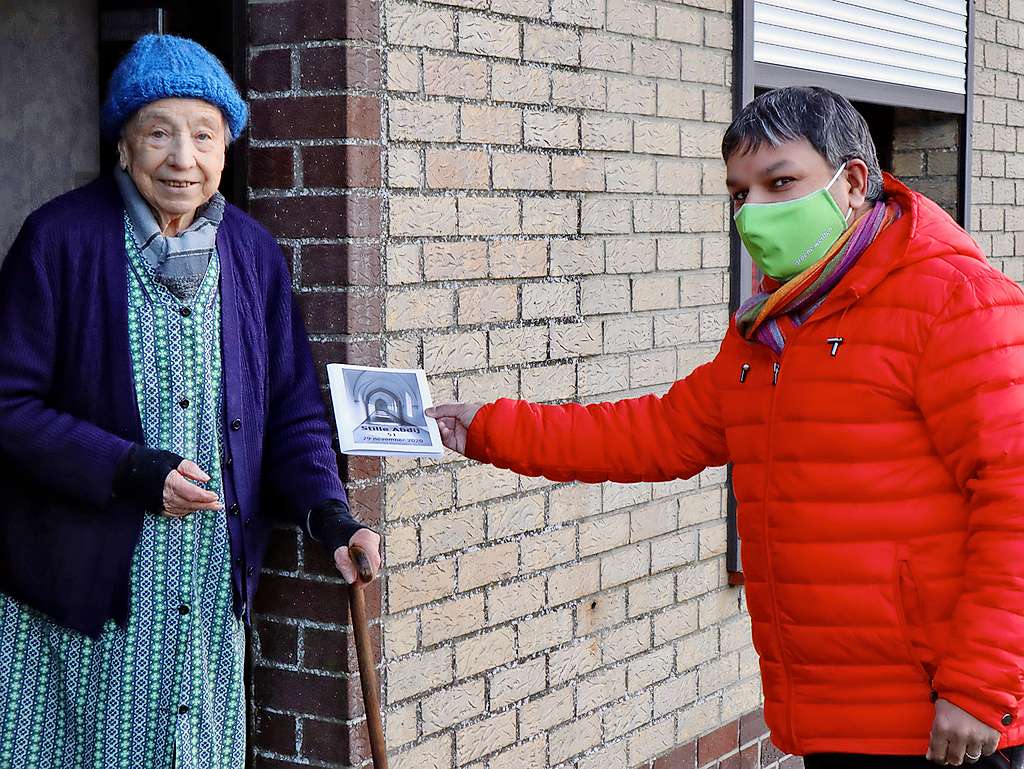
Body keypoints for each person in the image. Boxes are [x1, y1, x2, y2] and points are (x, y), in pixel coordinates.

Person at [429, 87, 1024, 769]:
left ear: (853, 182)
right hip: (839, 713)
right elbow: (652, 432)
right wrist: (490, 429)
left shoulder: (956, 301)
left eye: (780, 183)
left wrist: (980, 687)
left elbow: (1015, 497)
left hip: (945, 721)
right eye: (741, 192)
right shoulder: (771, 330)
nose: (756, 212)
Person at [0, 34, 380, 768]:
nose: (183, 158)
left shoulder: (253, 254)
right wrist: (128, 469)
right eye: (158, 133)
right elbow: (9, 404)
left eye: (203, 135)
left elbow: (293, 410)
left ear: (226, 147)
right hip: (81, 596)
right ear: (123, 147)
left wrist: (329, 515)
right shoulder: (58, 239)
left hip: (203, 597)